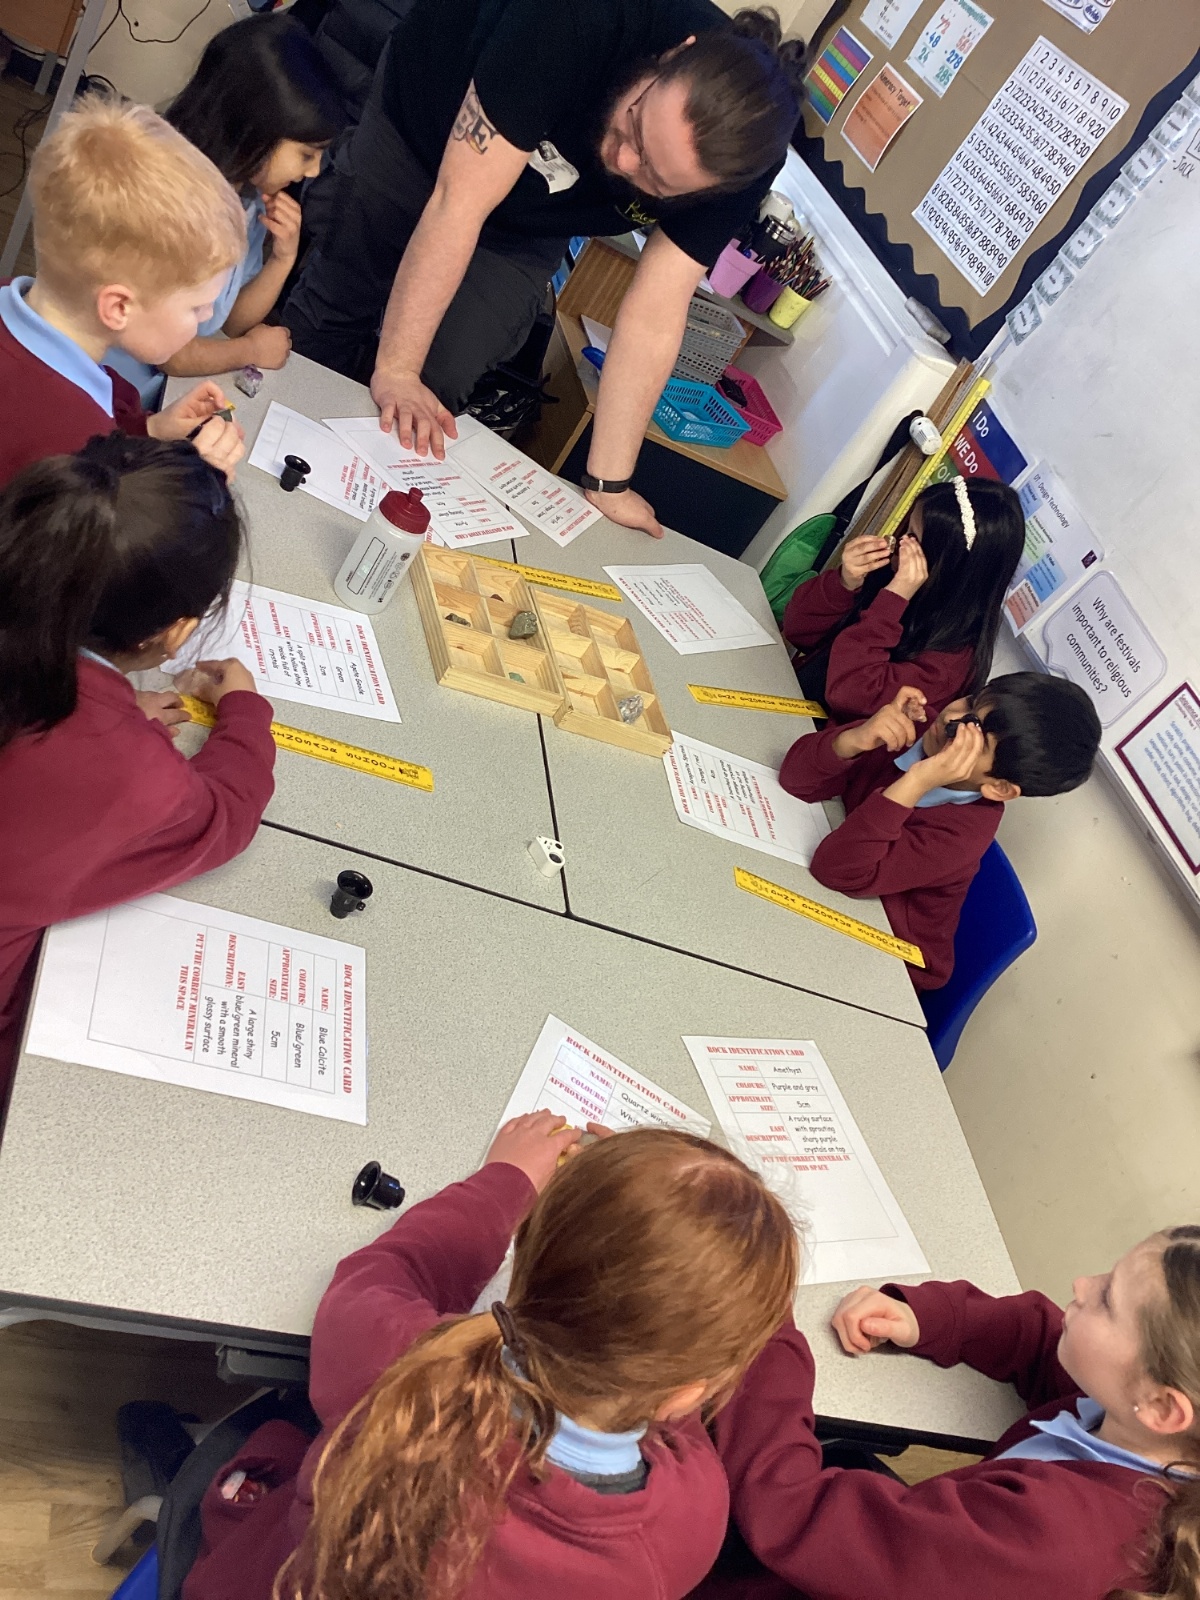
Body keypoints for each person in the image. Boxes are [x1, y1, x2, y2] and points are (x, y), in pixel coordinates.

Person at [180, 1119, 799, 1600]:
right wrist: (728, 1288)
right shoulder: (689, 1520)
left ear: (526, 1251)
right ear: (687, 1392)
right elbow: (657, 1392)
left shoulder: (403, 1364)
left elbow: (381, 1274)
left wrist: (508, 1180)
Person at [284, 1, 805, 537]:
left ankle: (346, 526)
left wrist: (608, 483)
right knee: (341, 301)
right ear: (674, 55)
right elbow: (457, 204)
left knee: (442, 377)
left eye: (656, 181)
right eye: (635, 126)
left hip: (533, 217)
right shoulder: (576, 19)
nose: (625, 162)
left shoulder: (743, 165)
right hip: (425, 123)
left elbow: (656, 312)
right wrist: (396, 369)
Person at [701, 1226, 1200, 1600]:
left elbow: (790, 1513)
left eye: (1108, 1300)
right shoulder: (1139, 1423)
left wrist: (761, 1320)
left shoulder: (1045, 1539)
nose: (1082, 1284)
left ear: (1163, 1407)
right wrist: (929, 1318)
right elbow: (1035, 1336)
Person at [0, 435, 276, 1091]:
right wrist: (245, 710)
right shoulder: (135, 776)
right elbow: (226, 817)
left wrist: (112, 708)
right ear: (176, 632)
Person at [779, 676, 1101, 990]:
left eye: (975, 739)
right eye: (971, 702)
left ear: (1000, 788)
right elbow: (796, 779)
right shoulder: (921, 729)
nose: (951, 718)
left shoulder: (963, 836)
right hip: (841, 891)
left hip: (890, 960)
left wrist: (916, 781)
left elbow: (835, 871)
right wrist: (854, 740)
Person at [0, 98, 246, 487]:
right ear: (118, 307)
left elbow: (104, 428)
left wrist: (151, 429)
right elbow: (108, 522)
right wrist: (196, 482)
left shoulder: (26, 320)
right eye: (197, 307)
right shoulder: (70, 450)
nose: (208, 316)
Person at [106, 15, 346, 406]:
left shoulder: (247, 197)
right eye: (306, 154)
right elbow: (171, 354)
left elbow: (231, 321)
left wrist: (282, 259)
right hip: (102, 390)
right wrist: (250, 351)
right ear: (254, 128)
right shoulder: (177, 203)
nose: (314, 171)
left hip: (147, 398)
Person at [783, 476, 1025, 721]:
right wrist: (845, 583)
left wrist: (892, 601)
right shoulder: (887, 576)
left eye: (913, 539)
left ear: (950, 569)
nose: (899, 542)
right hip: (790, 698)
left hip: (817, 733)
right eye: (907, 529)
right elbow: (797, 630)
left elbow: (850, 693)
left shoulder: (950, 663)